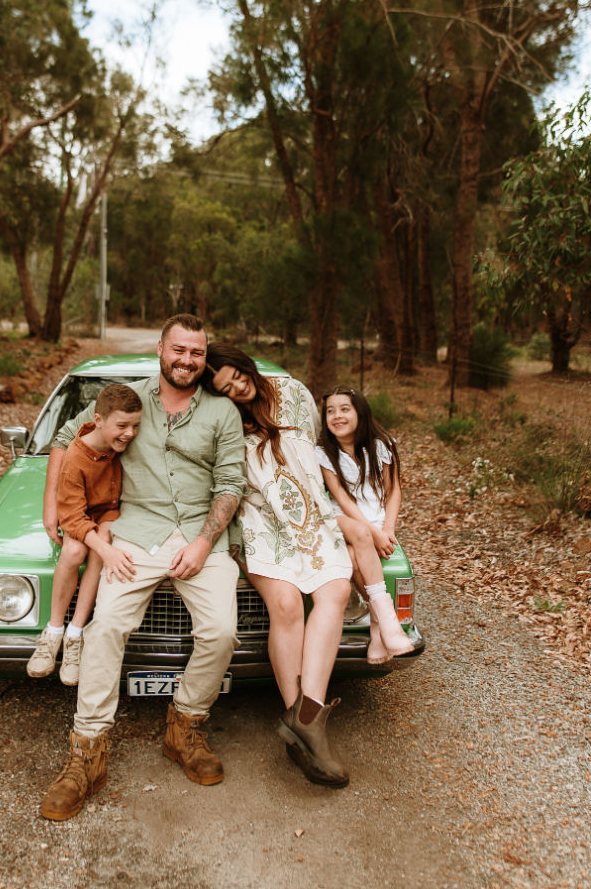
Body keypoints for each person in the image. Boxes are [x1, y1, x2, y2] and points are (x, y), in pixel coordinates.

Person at [39, 315, 247, 822]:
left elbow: (231, 483)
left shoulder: (222, 412)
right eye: (178, 350)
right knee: (105, 625)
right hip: (136, 532)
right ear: (160, 348)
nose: (187, 361)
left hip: (202, 537)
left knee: (221, 631)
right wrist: (53, 506)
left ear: (204, 357)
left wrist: (202, 543)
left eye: (196, 353)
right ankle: (87, 754)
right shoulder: (126, 400)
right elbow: (68, 437)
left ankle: (184, 727)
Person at [204, 343, 353, 788]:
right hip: (259, 523)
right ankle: (306, 725)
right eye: (224, 387)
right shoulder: (226, 419)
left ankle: (305, 716)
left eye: (235, 375)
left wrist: (354, 506)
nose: (236, 387)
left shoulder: (291, 391)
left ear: (243, 364)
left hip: (312, 515)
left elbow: (320, 446)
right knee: (286, 605)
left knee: (336, 591)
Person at [26, 383, 143, 686]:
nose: (130, 433)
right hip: (79, 513)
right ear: (98, 420)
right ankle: (53, 632)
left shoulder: (118, 445)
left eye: (135, 426)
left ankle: (75, 634)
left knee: (100, 542)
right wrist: (106, 552)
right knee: (74, 551)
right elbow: (73, 516)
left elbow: (113, 503)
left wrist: (102, 546)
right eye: (122, 426)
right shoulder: (75, 459)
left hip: (108, 512)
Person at [317, 387, 416, 663]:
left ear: (359, 411)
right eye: (330, 411)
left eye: (344, 409)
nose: (336, 416)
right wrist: (372, 532)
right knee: (359, 534)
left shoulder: (382, 445)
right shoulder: (324, 452)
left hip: (374, 520)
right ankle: (389, 623)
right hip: (340, 519)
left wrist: (388, 530)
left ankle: (377, 628)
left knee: (352, 557)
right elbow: (342, 498)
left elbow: (394, 490)